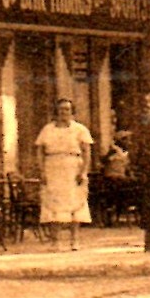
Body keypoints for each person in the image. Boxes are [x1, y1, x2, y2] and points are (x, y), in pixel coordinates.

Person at [33, 98, 94, 250]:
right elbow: (40, 151)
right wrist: (42, 171)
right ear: (56, 112)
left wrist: (84, 171)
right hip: (52, 167)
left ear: (72, 111)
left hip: (73, 166)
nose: (64, 112)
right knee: (53, 204)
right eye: (61, 109)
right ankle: (56, 241)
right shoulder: (48, 129)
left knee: (75, 202)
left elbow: (86, 151)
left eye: (67, 109)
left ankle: (75, 240)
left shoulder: (80, 129)